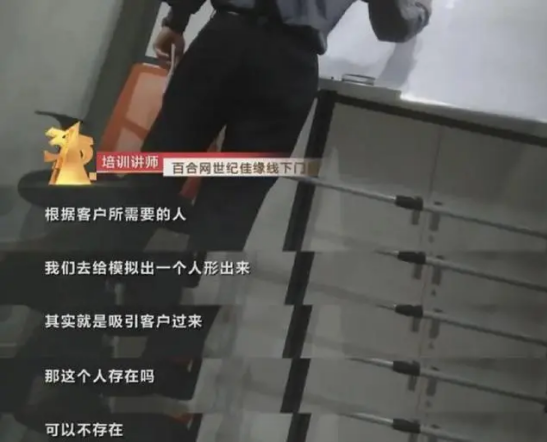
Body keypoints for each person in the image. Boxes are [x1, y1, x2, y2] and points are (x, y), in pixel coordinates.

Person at [0, 0, 432, 432]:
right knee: (224, 222)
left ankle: (56, 352)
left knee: (144, 193)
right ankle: (154, 369)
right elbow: (392, 24)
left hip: (225, 38)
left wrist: (177, 19)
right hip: (289, 66)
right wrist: (421, 12)